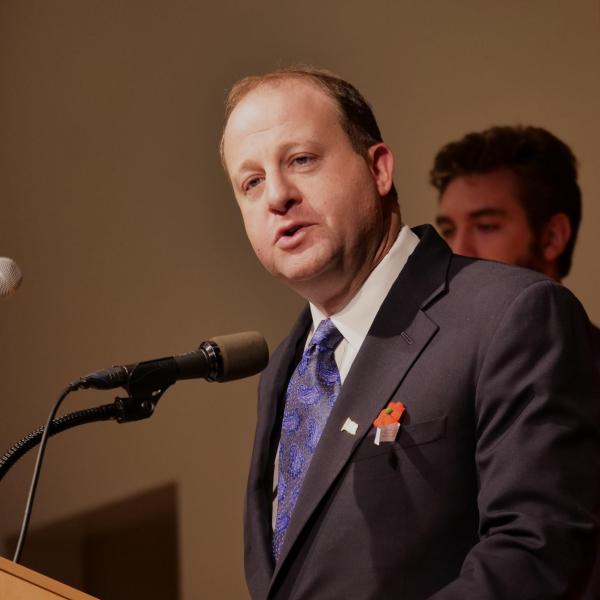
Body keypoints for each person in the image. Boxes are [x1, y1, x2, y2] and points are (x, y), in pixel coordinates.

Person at [221, 68, 600, 599]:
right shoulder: (285, 370)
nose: (276, 195)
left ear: (378, 169)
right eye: (252, 182)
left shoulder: (510, 313)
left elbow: (535, 550)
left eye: (301, 160)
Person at [430, 125, 600, 599]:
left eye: (486, 226)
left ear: (552, 238)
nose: (457, 252)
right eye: (447, 229)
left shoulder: (581, 366)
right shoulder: (432, 375)